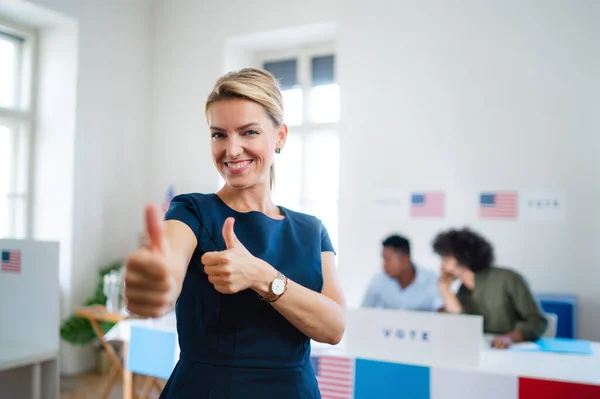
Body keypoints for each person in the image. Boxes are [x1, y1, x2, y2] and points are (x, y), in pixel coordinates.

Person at [123, 68, 346, 398]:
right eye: (219, 135)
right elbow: (168, 272)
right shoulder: (192, 211)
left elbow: (334, 327)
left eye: (249, 132)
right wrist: (155, 284)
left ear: (280, 136)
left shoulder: (311, 230)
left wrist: (261, 275)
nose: (232, 149)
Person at [432, 227, 547, 349]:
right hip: (481, 351)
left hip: (512, 350)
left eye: (446, 260)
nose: (441, 266)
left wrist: (510, 338)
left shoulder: (507, 279)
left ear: (462, 258)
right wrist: (445, 290)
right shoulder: (463, 290)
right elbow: (461, 325)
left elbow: (536, 320)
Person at [362, 234, 443, 312]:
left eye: (387, 260)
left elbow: (443, 313)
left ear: (405, 260)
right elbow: (364, 313)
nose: (383, 265)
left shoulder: (431, 280)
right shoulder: (379, 280)